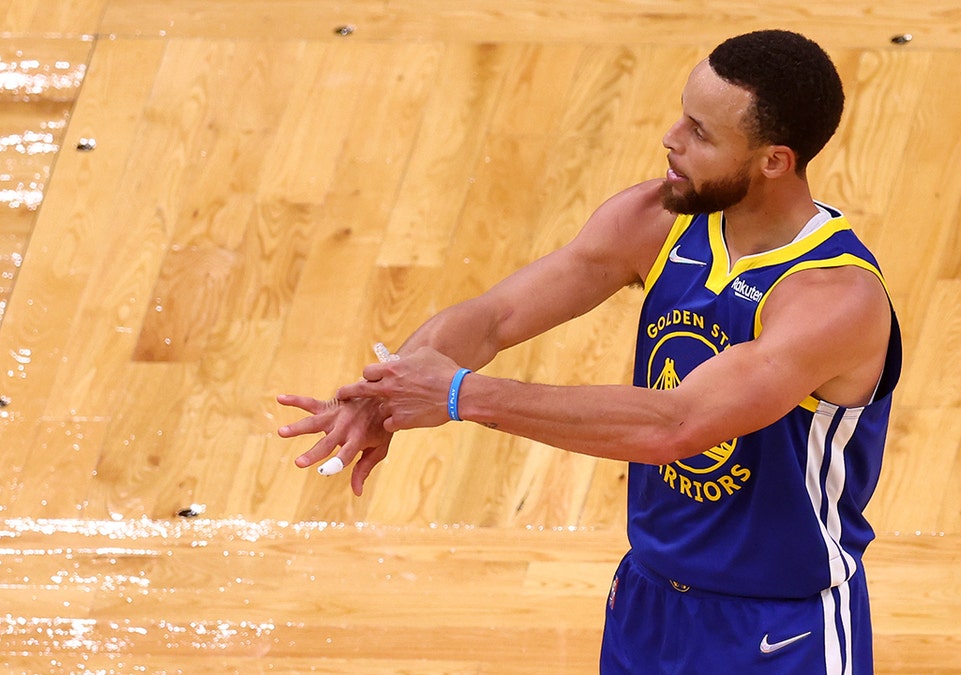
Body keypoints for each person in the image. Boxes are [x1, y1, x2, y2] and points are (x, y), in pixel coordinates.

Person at [278, 29, 901, 674]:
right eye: (681, 114)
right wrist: (388, 389)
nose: (670, 138)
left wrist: (459, 395)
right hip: (647, 603)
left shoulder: (833, 298)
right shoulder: (656, 220)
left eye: (701, 133)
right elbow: (494, 317)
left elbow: (675, 426)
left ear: (774, 161)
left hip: (779, 630)